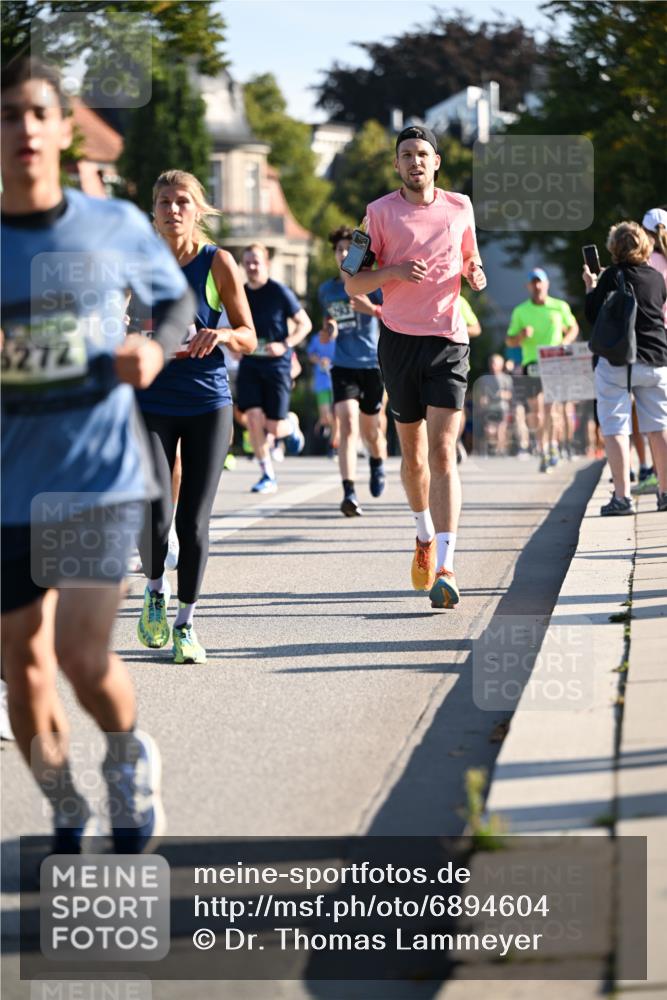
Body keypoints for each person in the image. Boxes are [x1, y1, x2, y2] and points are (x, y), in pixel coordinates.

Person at [1, 57, 196, 852]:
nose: (22, 130)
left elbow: (177, 302)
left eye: (35, 114)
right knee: (23, 669)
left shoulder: (110, 226)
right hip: (11, 483)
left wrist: (155, 348)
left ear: (61, 129)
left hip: (98, 476)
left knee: (82, 656)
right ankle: (62, 802)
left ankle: (124, 757)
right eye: (6, 116)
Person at [343, 124, 486, 608]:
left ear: (437, 162)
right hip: (400, 343)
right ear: (397, 165)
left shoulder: (460, 206)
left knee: (444, 452)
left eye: (423, 154)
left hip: (449, 340)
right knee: (415, 458)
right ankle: (423, 533)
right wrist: (395, 272)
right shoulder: (378, 214)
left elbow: (471, 254)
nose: (415, 162)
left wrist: (476, 271)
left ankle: (446, 564)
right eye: (406, 155)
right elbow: (353, 285)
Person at [136, 170, 256, 663]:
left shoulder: (217, 262)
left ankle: (186, 625)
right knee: (154, 515)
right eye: (164, 201)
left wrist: (221, 336)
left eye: (182, 201)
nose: (172, 209)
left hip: (208, 403)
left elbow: (249, 334)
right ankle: (154, 590)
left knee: (194, 521)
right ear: (155, 210)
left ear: (198, 209)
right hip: (151, 403)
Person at [583, 220, 667, 514]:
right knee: (659, 427)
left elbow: (593, 315)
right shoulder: (657, 278)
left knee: (616, 426)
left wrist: (591, 287)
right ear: (645, 245)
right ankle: (665, 493)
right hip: (656, 358)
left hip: (617, 360)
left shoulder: (611, 277)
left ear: (614, 248)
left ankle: (622, 497)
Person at [319, 225, 387, 516]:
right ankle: (348, 492)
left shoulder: (376, 284)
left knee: (371, 432)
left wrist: (370, 309)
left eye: (350, 249)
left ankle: (376, 461)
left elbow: (395, 317)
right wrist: (328, 330)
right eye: (339, 249)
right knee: (346, 424)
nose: (344, 253)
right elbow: (328, 325)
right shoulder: (328, 290)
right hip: (343, 365)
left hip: (372, 365)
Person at [237, 244, 312, 494]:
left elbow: (305, 324)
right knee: (253, 418)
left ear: (266, 263)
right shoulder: (240, 293)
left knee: (274, 427)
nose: (252, 267)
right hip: (250, 364)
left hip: (277, 365)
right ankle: (267, 474)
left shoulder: (279, 292)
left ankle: (290, 425)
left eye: (256, 261)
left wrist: (285, 345)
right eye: (247, 262)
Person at [505, 268, 579, 472]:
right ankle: (543, 448)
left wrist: (565, 341)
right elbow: (509, 340)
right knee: (537, 411)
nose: (537, 286)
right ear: (528, 286)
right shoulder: (520, 311)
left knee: (552, 409)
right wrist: (521, 335)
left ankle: (552, 447)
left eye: (540, 282)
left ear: (546, 284)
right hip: (532, 362)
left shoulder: (559, 307)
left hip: (555, 361)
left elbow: (573, 328)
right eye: (533, 283)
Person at [307, 325, 337, 456]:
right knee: (325, 416)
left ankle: (333, 445)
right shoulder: (316, 338)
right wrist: (320, 361)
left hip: (337, 381)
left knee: (337, 416)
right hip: (322, 382)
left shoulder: (340, 338)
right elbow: (310, 354)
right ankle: (326, 427)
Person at [475, 354, 514, 456]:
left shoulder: (506, 379)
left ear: (501, 365)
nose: (493, 366)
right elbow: (480, 395)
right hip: (489, 408)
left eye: (495, 363)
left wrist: (501, 395)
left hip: (502, 407)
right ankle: (493, 447)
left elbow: (510, 395)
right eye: (491, 363)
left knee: (501, 428)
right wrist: (482, 400)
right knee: (490, 430)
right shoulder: (484, 379)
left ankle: (500, 449)